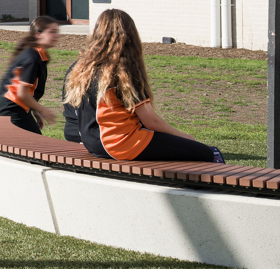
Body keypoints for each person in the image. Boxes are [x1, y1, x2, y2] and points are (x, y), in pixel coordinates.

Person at [65, 9, 223, 163]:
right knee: (207, 152)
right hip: (123, 144)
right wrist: (186, 137)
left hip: (94, 144)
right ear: (130, 36)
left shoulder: (82, 69)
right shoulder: (122, 73)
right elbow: (151, 122)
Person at [0, 16, 60, 134]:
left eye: (57, 32)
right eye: (52, 32)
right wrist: (43, 110)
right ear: (38, 34)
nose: (56, 35)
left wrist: (34, 110)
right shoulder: (32, 58)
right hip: (11, 106)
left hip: (14, 104)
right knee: (35, 145)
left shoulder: (39, 54)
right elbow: (22, 93)